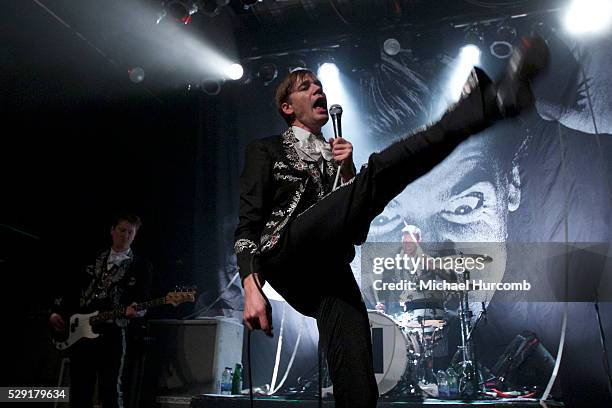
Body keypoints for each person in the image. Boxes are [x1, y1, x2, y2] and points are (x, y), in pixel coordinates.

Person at [234, 37, 547, 407]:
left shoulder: (334, 157)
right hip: (287, 254)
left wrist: (347, 173)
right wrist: (251, 287)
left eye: (319, 84)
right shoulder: (266, 150)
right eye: (306, 87)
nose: (317, 89)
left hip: (328, 270)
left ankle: (481, 107)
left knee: (357, 372)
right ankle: (480, 107)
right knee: (381, 171)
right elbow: (248, 223)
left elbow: (354, 227)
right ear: (288, 108)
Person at [49, 214, 153, 408]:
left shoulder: (141, 265)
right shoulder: (93, 257)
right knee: (80, 389)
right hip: (82, 331)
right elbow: (70, 287)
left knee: (110, 388)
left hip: (112, 333)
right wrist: (56, 311)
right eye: (122, 230)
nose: (126, 236)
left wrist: (136, 311)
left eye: (131, 232)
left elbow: (143, 299)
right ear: (112, 231)